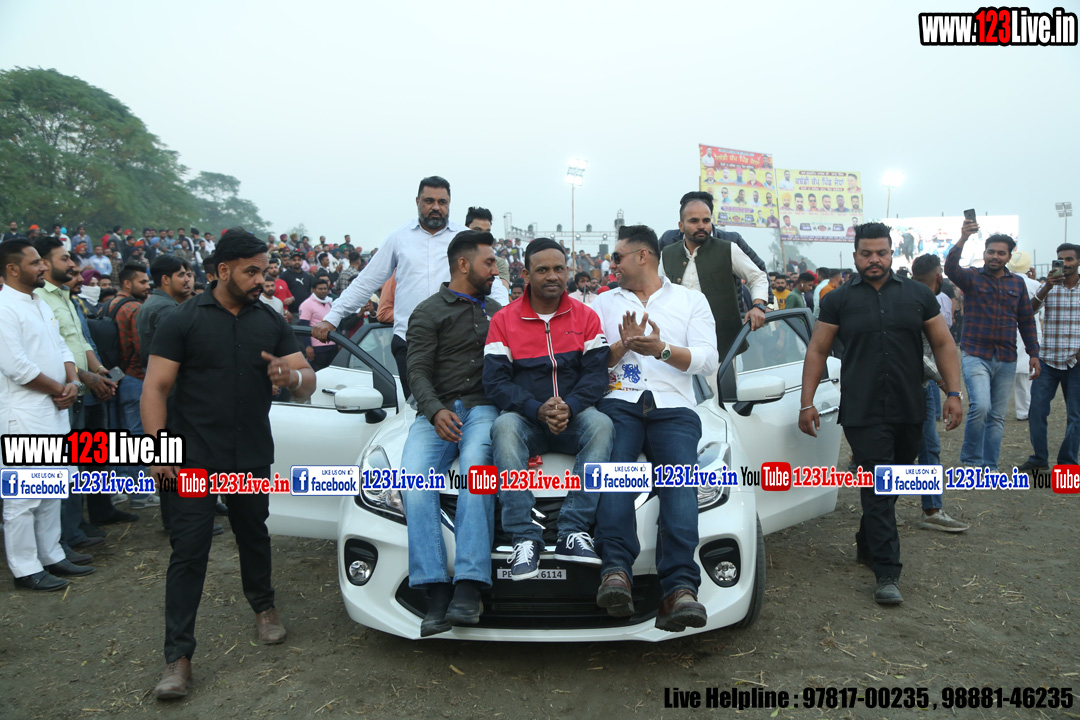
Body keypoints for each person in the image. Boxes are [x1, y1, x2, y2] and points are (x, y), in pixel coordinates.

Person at [143, 228, 314, 700]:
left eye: (264, 270)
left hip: (250, 453)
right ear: (223, 270)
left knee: (253, 533)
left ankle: (264, 607)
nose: (262, 279)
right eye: (251, 271)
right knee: (189, 550)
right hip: (193, 455)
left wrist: (291, 376)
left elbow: (308, 381)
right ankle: (178, 657)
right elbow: (155, 387)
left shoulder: (270, 319)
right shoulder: (182, 319)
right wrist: (157, 450)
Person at [800, 224, 962, 606]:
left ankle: (866, 540)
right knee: (879, 484)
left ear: (892, 254)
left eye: (881, 253)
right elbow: (817, 350)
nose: (874, 260)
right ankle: (888, 573)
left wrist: (954, 393)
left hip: (910, 407)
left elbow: (943, 342)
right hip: (862, 409)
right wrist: (807, 402)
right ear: (855, 256)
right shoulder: (838, 300)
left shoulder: (919, 295)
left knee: (893, 482)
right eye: (866, 253)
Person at [590, 226, 718, 631]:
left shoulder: (691, 300)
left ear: (642, 256)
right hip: (619, 402)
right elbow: (589, 363)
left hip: (674, 406)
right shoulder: (602, 303)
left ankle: (679, 588)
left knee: (680, 483)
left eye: (617, 257)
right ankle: (615, 572)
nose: (612, 264)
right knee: (615, 476)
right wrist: (623, 346)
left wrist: (661, 350)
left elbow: (707, 360)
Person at [484, 238, 613, 579]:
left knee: (601, 425)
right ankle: (524, 537)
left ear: (568, 271)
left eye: (559, 268)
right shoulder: (503, 320)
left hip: (575, 417)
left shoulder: (586, 316)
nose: (552, 275)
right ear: (526, 275)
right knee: (503, 427)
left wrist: (570, 406)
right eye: (542, 270)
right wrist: (537, 409)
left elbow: (596, 375)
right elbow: (495, 382)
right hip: (528, 420)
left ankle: (573, 530)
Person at [312, 177, 508, 399]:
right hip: (410, 342)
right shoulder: (399, 238)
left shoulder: (466, 238)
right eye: (429, 201)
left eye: (442, 202)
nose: (436, 207)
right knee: (418, 408)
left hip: (459, 344)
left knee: (461, 408)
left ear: (450, 203)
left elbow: (492, 279)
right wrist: (332, 317)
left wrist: (505, 315)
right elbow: (366, 282)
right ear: (417, 201)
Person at [399, 230, 502, 635]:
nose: (495, 270)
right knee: (412, 480)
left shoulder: (499, 312)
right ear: (463, 264)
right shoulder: (428, 311)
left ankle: (469, 585)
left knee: (477, 473)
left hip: (483, 408)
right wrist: (435, 410)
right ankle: (435, 588)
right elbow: (416, 371)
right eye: (488, 262)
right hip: (436, 412)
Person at [0, 239, 95, 590]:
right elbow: (17, 367)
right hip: (24, 413)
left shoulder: (39, 302)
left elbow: (61, 347)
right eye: (35, 263)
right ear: (12, 269)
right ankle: (25, 568)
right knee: (23, 496)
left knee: (52, 487)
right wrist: (60, 389)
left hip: (54, 408)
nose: (42, 267)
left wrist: (72, 382)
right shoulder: (4, 308)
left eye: (42, 261)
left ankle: (51, 554)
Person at [32, 237, 121, 551]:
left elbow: (80, 341)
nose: (72, 265)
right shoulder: (38, 299)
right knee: (67, 465)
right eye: (65, 258)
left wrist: (99, 370)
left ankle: (80, 523)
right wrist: (84, 377)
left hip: (83, 387)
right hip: (64, 392)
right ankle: (65, 534)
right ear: (44, 262)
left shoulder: (64, 295)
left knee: (87, 459)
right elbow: (51, 351)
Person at [945, 221, 1039, 471]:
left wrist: (1033, 353)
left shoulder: (1017, 284)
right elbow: (950, 268)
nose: (995, 256)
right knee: (981, 407)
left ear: (1009, 256)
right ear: (984, 253)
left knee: (997, 415)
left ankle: (990, 465)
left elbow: (1026, 320)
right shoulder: (972, 277)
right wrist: (963, 237)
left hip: (1006, 357)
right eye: (991, 252)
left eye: (1001, 253)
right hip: (976, 354)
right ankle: (970, 462)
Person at [661, 196, 768, 357]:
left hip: (723, 346)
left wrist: (758, 306)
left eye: (706, 220)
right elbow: (657, 291)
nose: (701, 226)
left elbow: (757, 277)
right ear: (681, 226)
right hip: (678, 344)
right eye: (694, 221)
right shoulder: (667, 254)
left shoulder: (728, 249)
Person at [910, 254, 969, 532]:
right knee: (924, 447)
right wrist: (948, 387)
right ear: (938, 277)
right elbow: (916, 354)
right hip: (914, 385)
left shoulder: (911, 297)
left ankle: (926, 508)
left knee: (921, 446)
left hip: (922, 384)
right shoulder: (920, 301)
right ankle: (931, 509)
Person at [1020, 243, 1080, 472]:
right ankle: (1039, 458)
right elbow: (1029, 311)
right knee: (1036, 410)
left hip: (1076, 362)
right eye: (1061, 259)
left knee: (1076, 415)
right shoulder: (1048, 286)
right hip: (1048, 359)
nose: (1065, 264)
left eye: (1070, 259)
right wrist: (1046, 287)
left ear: (1079, 262)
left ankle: (1067, 462)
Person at [1005, 251, 1043, 420]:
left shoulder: (1006, 282)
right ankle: (1023, 411)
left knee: (1003, 375)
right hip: (1029, 332)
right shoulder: (1035, 285)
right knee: (1026, 376)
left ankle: (997, 409)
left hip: (1008, 330)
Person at [464, 207, 509, 288]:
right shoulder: (453, 259)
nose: (482, 236)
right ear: (465, 229)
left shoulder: (499, 263)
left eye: (487, 232)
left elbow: (502, 292)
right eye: (477, 230)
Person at [298, 277, 336, 371]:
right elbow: (304, 327)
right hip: (317, 347)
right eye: (320, 289)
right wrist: (308, 346)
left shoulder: (329, 302)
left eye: (325, 288)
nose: (323, 291)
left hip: (332, 343)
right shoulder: (307, 304)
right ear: (313, 290)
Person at [280, 252, 313, 318]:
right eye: (294, 260)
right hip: (292, 312)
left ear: (302, 261)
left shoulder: (307, 276)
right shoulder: (284, 276)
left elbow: (311, 292)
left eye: (299, 260)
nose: (297, 262)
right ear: (290, 261)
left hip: (306, 311)